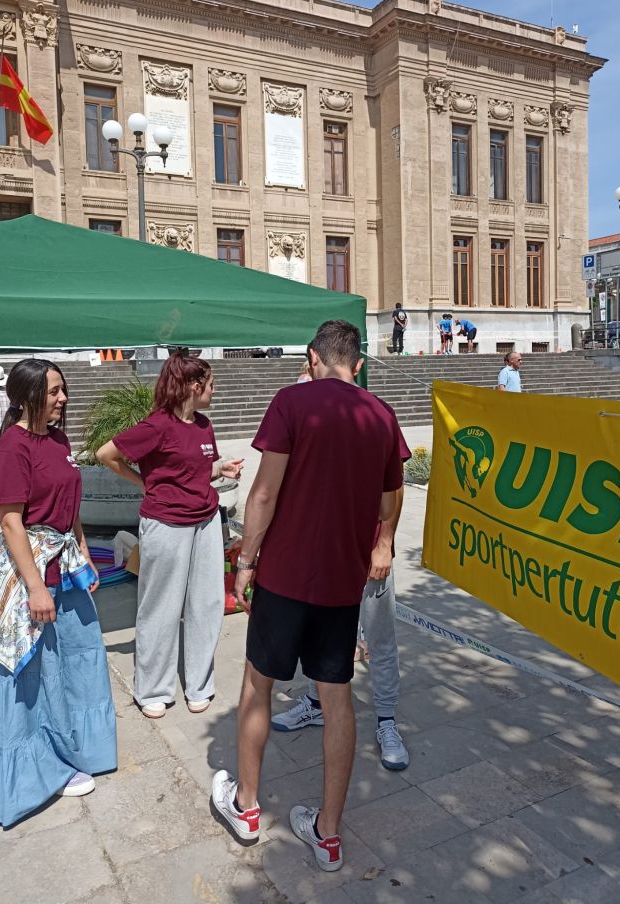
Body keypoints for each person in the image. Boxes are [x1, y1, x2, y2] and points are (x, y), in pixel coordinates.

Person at [211, 320, 403, 872]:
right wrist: (383, 544)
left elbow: (264, 491)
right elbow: (392, 501)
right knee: (337, 697)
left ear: (313, 358)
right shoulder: (382, 415)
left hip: (285, 577)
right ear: (358, 364)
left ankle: (247, 807)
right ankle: (329, 833)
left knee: (257, 684)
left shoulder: (292, 403)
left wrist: (244, 560)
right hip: (342, 584)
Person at [0, 359, 117, 828]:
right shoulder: (13, 447)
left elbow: (70, 500)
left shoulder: (56, 436)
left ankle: (76, 744)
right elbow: (11, 522)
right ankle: (43, 765)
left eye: (62, 390)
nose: (61, 399)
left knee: (78, 655)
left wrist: (83, 550)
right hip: (30, 570)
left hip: (65, 561)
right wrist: (36, 586)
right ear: (26, 395)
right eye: (52, 392)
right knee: (32, 669)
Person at [96, 352, 243, 719]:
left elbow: (193, 469)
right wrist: (144, 483)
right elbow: (106, 454)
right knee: (160, 607)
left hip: (206, 521)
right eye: (210, 383)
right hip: (166, 524)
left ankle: (199, 683)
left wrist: (218, 467)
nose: (215, 389)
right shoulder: (156, 426)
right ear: (194, 386)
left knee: (205, 604)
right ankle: (153, 689)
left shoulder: (203, 425)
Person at [270, 461, 410, 771]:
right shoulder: (314, 416)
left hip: (368, 554)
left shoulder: (376, 417)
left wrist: (384, 545)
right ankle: (316, 703)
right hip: (322, 552)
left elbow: (395, 486)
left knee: (380, 639)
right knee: (321, 636)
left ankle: (386, 720)